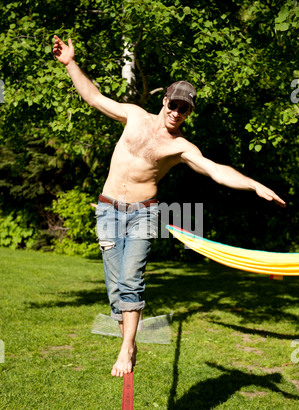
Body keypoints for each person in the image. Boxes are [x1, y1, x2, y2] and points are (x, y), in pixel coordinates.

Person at [53, 35, 286, 377]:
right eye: (173, 104)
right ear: (164, 101)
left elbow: (216, 170)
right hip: (107, 210)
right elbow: (93, 97)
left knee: (131, 279)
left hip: (143, 213)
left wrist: (252, 184)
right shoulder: (134, 116)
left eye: (184, 108)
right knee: (116, 286)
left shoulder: (181, 147)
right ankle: (129, 341)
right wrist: (70, 64)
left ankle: (125, 348)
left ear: (189, 113)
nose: (176, 112)